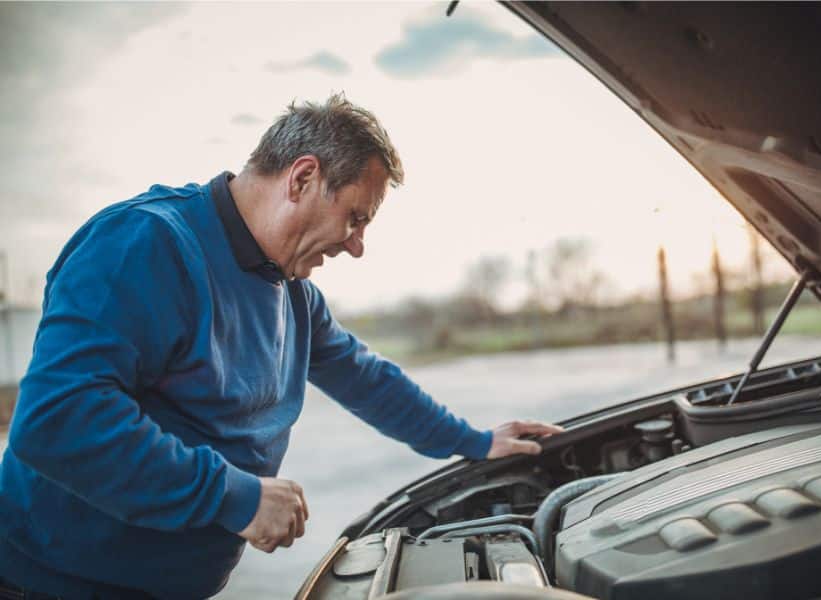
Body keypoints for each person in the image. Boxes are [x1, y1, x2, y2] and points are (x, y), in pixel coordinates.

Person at [0, 94, 563, 599]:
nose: (357, 246)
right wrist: (234, 497)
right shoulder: (145, 245)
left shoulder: (291, 293)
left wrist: (474, 440)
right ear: (302, 179)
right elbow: (59, 419)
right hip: (50, 582)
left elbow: (365, 377)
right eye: (355, 218)